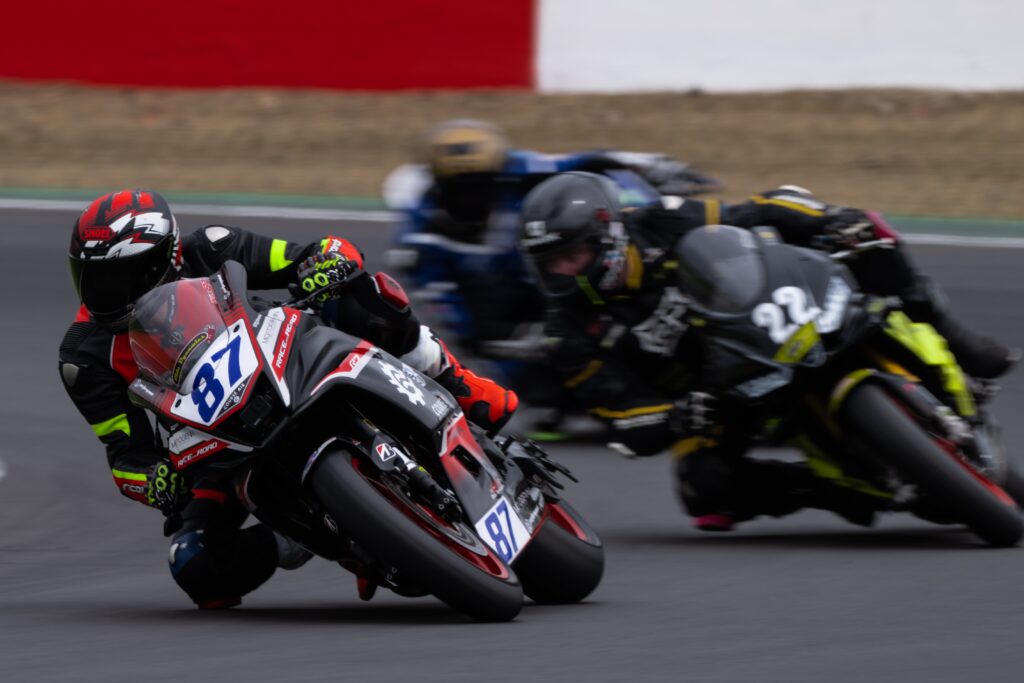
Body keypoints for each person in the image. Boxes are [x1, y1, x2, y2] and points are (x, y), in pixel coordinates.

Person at [59, 189, 517, 608]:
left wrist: (328, 262)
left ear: (166, 258)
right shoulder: (84, 356)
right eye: (92, 277)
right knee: (195, 566)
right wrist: (153, 480)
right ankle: (306, 536)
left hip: (286, 360)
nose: (103, 294)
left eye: (119, 278)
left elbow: (309, 255)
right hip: (214, 444)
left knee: (364, 294)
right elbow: (125, 454)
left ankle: (455, 381)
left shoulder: (211, 247)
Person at [517, 172, 1018, 531]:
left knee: (870, 241)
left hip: (771, 314)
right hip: (714, 394)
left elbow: (755, 212)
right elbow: (620, 412)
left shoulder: (659, 222)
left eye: (572, 255)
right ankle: (832, 488)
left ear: (607, 232)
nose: (563, 271)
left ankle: (960, 341)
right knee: (704, 493)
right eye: (551, 262)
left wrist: (828, 219)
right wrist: (675, 418)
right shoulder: (568, 335)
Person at [384, 119, 720, 421]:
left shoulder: (518, 168)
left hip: (557, 270)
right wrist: (504, 344)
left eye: (481, 181)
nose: (473, 193)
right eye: (459, 184)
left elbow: (584, 162)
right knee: (542, 389)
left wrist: (651, 167)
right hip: (507, 308)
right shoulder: (420, 233)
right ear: (438, 182)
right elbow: (452, 312)